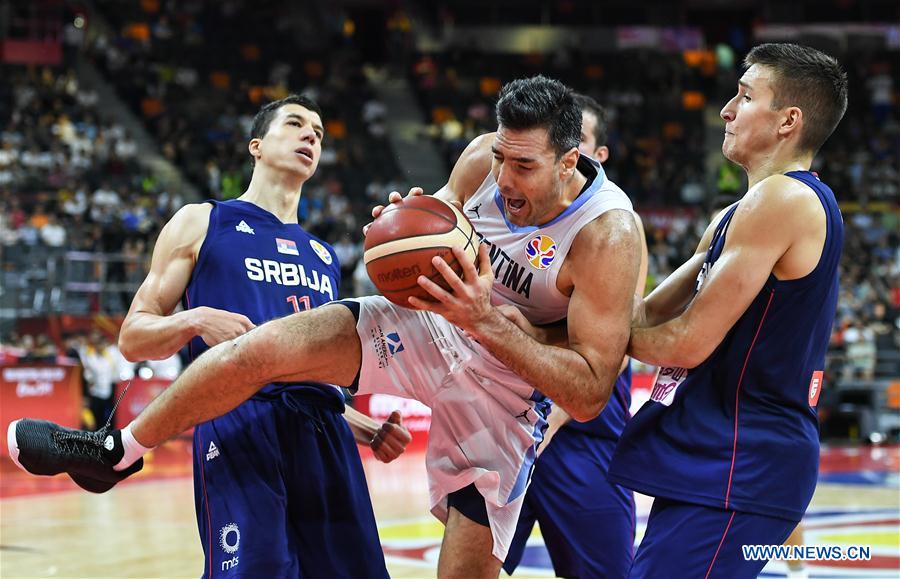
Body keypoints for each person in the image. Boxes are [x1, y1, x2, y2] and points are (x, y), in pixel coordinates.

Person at [9, 76, 642, 578]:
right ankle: (116, 452)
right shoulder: (484, 160)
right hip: (435, 328)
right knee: (260, 348)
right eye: (501, 156)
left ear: (571, 161)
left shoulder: (609, 236)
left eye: (524, 167)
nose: (504, 179)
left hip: (508, 386)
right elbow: (440, 218)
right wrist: (407, 224)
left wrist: (486, 320)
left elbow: (587, 392)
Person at [16, 94, 413, 577]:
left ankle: (113, 452)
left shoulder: (325, 256)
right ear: (257, 146)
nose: (311, 135)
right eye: (296, 124)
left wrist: (365, 428)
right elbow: (133, 338)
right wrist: (195, 319)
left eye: (319, 131)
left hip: (324, 433)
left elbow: (309, 373)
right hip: (237, 421)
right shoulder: (202, 221)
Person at [607, 43, 847, 577]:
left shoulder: (783, 199)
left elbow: (685, 341)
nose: (726, 110)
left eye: (744, 96)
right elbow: (643, 316)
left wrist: (583, 336)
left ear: (789, 120)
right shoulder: (734, 214)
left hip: (745, 458)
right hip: (714, 454)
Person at [503, 93, 648, 579]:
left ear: (592, 157)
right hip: (504, 412)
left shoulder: (616, 231)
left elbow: (619, 349)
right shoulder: (513, 210)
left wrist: (551, 418)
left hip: (582, 430)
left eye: (579, 145)